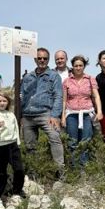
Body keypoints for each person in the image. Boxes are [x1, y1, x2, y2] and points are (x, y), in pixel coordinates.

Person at [20, 47, 65, 177]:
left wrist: (55, 115)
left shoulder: (53, 76)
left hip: (46, 113)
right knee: (30, 146)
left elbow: (58, 96)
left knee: (55, 139)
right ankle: (33, 174)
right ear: (35, 59)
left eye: (45, 58)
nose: (42, 60)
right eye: (39, 58)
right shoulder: (28, 77)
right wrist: (21, 115)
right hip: (28, 115)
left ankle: (60, 173)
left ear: (48, 60)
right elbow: (22, 95)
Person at [61, 55, 103, 167]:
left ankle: (84, 167)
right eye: (76, 66)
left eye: (80, 65)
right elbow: (64, 100)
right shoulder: (67, 81)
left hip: (86, 114)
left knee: (86, 141)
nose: (78, 68)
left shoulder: (90, 79)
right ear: (72, 66)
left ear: (84, 66)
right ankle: (74, 167)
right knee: (72, 141)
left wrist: (99, 111)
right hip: (71, 114)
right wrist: (63, 116)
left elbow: (96, 96)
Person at [0, 92, 25, 209]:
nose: (2, 103)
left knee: (19, 169)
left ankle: (16, 193)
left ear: (8, 102)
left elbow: (16, 130)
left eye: (4, 101)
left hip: (12, 145)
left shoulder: (11, 114)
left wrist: (18, 143)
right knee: (0, 173)